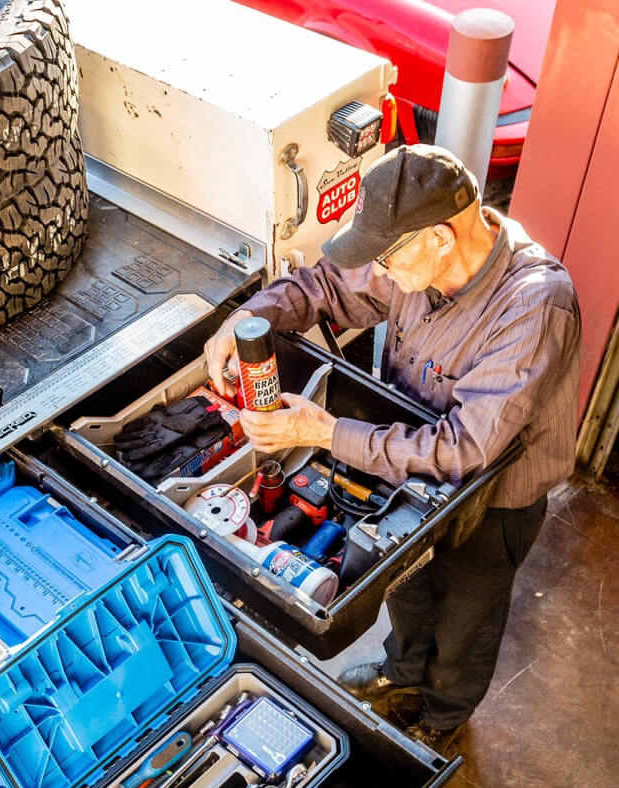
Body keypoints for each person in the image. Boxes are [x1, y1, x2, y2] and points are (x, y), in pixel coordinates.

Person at [203, 144, 581, 751]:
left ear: (439, 237)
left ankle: (442, 716)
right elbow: (327, 285)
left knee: (465, 620)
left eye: (386, 255)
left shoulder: (535, 305)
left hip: (492, 501)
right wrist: (248, 317)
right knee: (406, 586)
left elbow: (463, 449)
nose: (378, 270)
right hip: (407, 468)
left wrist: (322, 431)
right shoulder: (416, 260)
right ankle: (401, 675)